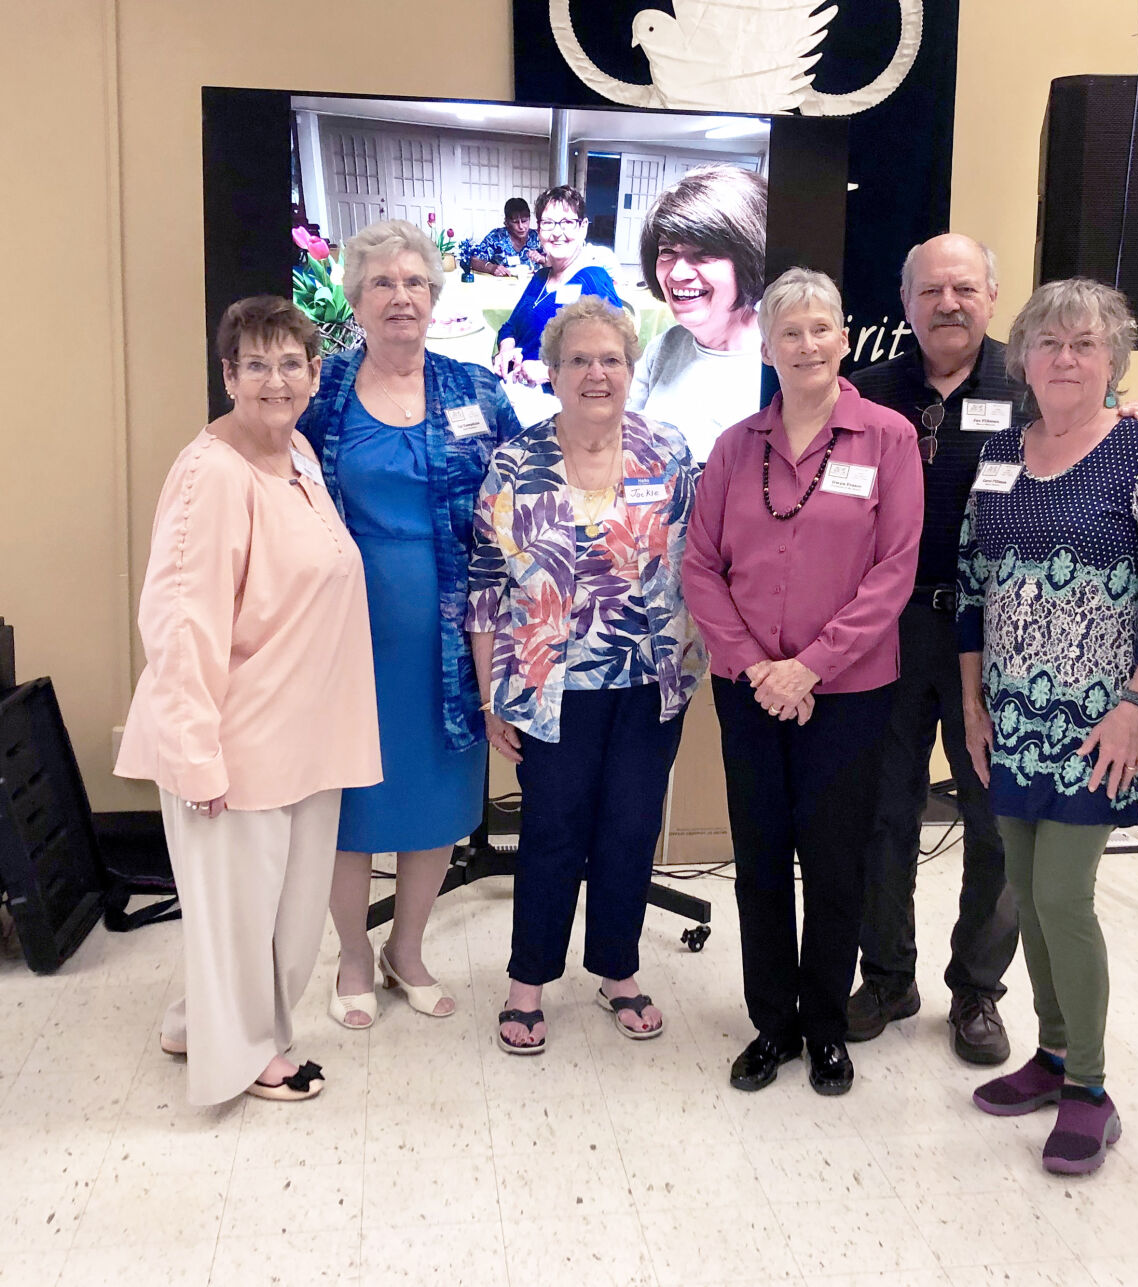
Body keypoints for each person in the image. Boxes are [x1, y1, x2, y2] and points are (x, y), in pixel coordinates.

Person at [114, 296, 381, 1104]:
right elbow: (181, 623)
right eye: (255, 364)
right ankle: (247, 1056)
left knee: (284, 919)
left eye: (290, 363)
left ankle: (199, 1023)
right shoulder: (212, 474)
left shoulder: (295, 450)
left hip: (305, 735)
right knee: (241, 922)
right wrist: (196, 755)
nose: (275, 380)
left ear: (315, 374)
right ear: (228, 375)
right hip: (237, 740)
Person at [959, 278, 1138, 1175]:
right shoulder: (1001, 449)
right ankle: (1053, 1053)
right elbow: (972, 582)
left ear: (1112, 359)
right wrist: (972, 705)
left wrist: (1137, 708)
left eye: (1085, 343)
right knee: (1023, 889)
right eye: (1048, 342)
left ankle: (1091, 1090)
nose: (1065, 358)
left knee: (1062, 895)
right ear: (1022, 358)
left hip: (1098, 724)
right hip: (1009, 714)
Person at [683, 268, 923, 1096]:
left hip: (848, 691)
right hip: (747, 687)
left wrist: (809, 665)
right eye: (790, 332)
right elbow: (700, 566)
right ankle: (771, 1025)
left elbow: (894, 570)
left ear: (844, 339)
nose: (807, 344)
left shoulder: (888, 438)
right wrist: (759, 667)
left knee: (833, 860)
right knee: (758, 857)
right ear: (766, 347)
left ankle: (824, 1025)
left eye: (821, 328)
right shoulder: (733, 447)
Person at [467, 297, 705, 1053]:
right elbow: (485, 585)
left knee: (630, 829)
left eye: (611, 359)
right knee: (551, 832)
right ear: (552, 372)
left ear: (631, 369)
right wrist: (490, 696)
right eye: (578, 360)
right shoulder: (514, 463)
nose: (596, 373)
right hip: (549, 688)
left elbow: (703, 562)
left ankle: (617, 971)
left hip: (650, 681)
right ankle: (527, 984)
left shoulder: (669, 452)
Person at [300, 219, 522, 1031]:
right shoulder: (319, 391)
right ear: (355, 300)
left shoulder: (477, 392)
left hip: (452, 646)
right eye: (382, 283)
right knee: (349, 806)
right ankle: (353, 956)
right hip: (342, 642)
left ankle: (407, 948)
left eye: (415, 282)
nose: (401, 296)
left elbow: (524, 494)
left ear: (435, 297)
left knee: (434, 801)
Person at [844, 233, 1032, 1066]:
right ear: (905, 302)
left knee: (995, 818)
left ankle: (977, 988)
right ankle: (888, 976)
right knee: (882, 812)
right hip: (888, 630)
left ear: (991, 295)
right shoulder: (867, 391)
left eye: (962, 288)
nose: (946, 304)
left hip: (997, 639)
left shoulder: (1032, 387)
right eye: (929, 291)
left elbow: (1099, 443)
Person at [627, 165, 766, 460]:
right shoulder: (664, 347)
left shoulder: (781, 365)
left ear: (750, 259)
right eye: (667, 251)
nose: (678, 273)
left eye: (704, 253)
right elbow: (627, 442)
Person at [494, 186, 624, 386]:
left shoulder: (593, 280)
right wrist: (506, 350)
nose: (557, 232)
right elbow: (511, 326)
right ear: (539, 230)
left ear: (583, 227)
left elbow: (615, 358)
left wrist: (550, 372)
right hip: (515, 386)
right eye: (548, 223)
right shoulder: (540, 277)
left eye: (567, 223)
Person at [464, 197, 543, 276]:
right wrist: (491, 268)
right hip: (502, 282)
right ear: (506, 222)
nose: (521, 226)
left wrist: (543, 259)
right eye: (515, 222)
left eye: (524, 221)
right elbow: (474, 260)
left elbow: (550, 261)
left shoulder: (537, 237)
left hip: (532, 281)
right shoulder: (496, 237)